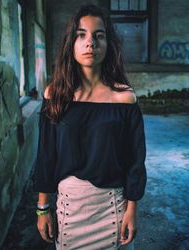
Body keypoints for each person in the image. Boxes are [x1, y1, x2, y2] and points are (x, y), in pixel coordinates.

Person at [34, 4, 146, 250]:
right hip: (70, 209)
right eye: (81, 35)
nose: (90, 43)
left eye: (99, 36)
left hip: (112, 207)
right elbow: (46, 155)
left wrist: (132, 209)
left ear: (109, 43)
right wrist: (43, 208)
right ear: (70, 43)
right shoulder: (55, 96)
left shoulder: (124, 99)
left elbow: (134, 161)